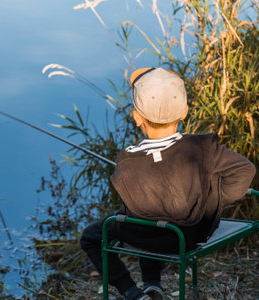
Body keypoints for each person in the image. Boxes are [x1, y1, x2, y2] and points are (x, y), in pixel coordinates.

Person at [80, 67, 256, 300]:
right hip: (192, 236)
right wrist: (215, 198)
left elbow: (131, 203)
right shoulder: (203, 149)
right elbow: (246, 170)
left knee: (92, 236)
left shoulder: (128, 157)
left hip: (142, 236)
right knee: (155, 214)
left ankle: (132, 291)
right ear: (184, 112)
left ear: (136, 117)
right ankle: (153, 285)